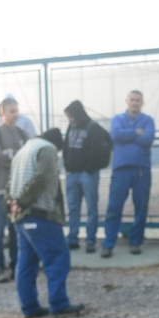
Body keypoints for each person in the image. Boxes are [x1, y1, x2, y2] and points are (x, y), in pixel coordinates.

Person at [8, 129, 85, 318]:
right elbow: (42, 176)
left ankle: (30, 307)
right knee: (58, 258)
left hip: (20, 217)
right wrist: (25, 201)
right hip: (40, 215)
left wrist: (12, 204)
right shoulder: (47, 149)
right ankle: (59, 304)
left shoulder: (23, 150)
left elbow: (9, 182)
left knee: (26, 263)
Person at [101, 91, 155, 258]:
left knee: (141, 207)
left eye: (138, 100)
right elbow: (115, 135)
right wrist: (136, 132)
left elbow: (148, 139)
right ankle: (108, 243)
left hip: (141, 170)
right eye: (132, 100)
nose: (134, 103)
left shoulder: (148, 120)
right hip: (121, 169)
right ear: (127, 101)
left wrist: (128, 135)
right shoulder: (117, 119)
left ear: (142, 102)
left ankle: (136, 242)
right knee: (113, 208)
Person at [0, 98, 31, 282]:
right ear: (3, 113)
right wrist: (15, 153)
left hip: (17, 189)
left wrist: (10, 153)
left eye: (17, 111)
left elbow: (27, 155)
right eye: (12, 111)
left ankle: (16, 265)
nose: (15, 114)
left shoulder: (22, 133)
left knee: (16, 229)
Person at [62, 100, 111, 252]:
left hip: (88, 174)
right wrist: (67, 166)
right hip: (72, 174)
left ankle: (91, 240)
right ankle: (73, 238)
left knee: (91, 208)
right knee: (73, 208)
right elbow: (66, 148)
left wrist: (90, 168)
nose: (70, 119)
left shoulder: (93, 128)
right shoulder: (71, 126)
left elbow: (100, 148)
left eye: (71, 115)